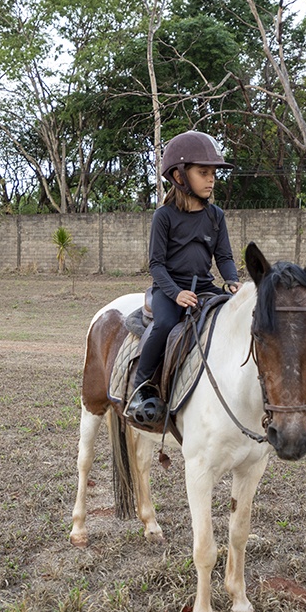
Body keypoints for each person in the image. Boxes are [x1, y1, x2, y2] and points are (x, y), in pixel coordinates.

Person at [125, 130, 241, 427]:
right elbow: (157, 264)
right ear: (179, 176)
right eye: (203, 172)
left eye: (213, 173)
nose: (211, 179)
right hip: (169, 289)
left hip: (204, 287)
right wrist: (176, 294)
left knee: (232, 316)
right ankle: (140, 388)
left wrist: (231, 280)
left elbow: (224, 256)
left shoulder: (216, 215)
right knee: (164, 323)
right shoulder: (163, 216)